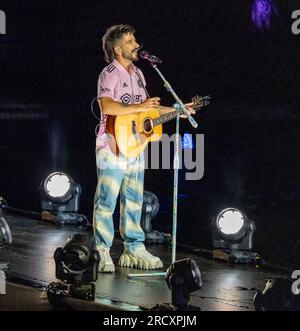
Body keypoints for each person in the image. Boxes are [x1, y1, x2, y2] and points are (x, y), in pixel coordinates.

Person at [93, 24, 194, 273]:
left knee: (134, 200)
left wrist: (178, 110)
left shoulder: (139, 73)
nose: (136, 44)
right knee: (107, 200)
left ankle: (134, 248)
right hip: (113, 144)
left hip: (135, 144)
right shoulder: (109, 74)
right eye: (129, 41)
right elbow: (107, 106)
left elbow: (148, 110)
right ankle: (102, 251)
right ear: (117, 49)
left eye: (135, 39)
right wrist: (140, 108)